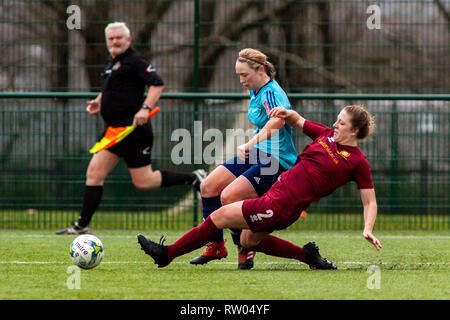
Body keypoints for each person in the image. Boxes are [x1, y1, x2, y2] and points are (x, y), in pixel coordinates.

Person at [137, 105, 382, 270]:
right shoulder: (326, 136)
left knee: (219, 216)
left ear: (355, 130)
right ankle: (308, 256)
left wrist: (368, 228)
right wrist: (285, 111)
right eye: (337, 120)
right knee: (247, 240)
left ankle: (166, 254)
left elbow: (369, 201)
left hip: (281, 205)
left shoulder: (358, 162)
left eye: (341, 123)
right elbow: (297, 120)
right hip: (278, 196)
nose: (335, 124)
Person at [56, 22, 206, 235]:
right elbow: (113, 89)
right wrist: (99, 101)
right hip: (114, 133)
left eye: (119, 37)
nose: (115, 41)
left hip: (134, 132)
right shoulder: (112, 62)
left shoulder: (135, 60)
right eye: (111, 38)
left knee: (144, 182)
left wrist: (145, 108)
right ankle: (82, 226)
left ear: (128, 40)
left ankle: (193, 177)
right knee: (94, 173)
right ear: (107, 41)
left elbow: (157, 83)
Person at [190, 48, 298, 269]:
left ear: (260, 70)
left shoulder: (271, 92)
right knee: (209, 187)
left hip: (276, 160)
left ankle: (245, 251)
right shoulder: (256, 90)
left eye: (244, 75)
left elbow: (278, 123)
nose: (241, 80)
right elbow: (262, 123)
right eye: (238, 75)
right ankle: (216, 246)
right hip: (259, 153)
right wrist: (253, 141)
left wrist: (250, 143)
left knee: (230, 196)